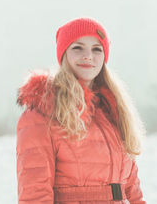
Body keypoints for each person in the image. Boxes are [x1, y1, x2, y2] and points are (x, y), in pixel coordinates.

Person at [16, 18, 146, 204]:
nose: (88, 56)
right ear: (64, 54)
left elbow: (132, 188)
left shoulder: (113, 110)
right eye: (78, 48)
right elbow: (34, 193)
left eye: (97, 49)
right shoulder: (42, 112)